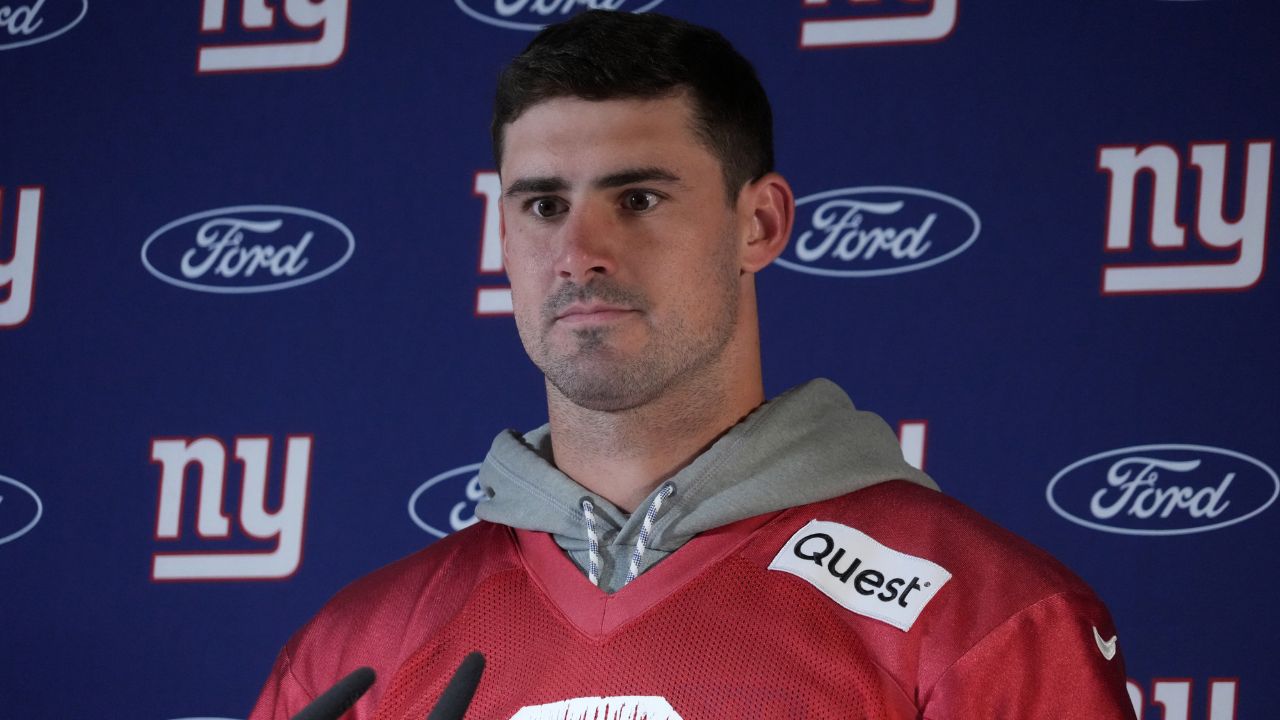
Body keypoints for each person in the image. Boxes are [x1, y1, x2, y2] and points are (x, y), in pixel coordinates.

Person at [249, 10, 1134, 719]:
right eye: (543, 203)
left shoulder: (979, 619)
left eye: (637, 199)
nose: (579, 251)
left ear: (760, 225)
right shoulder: (357, 653)